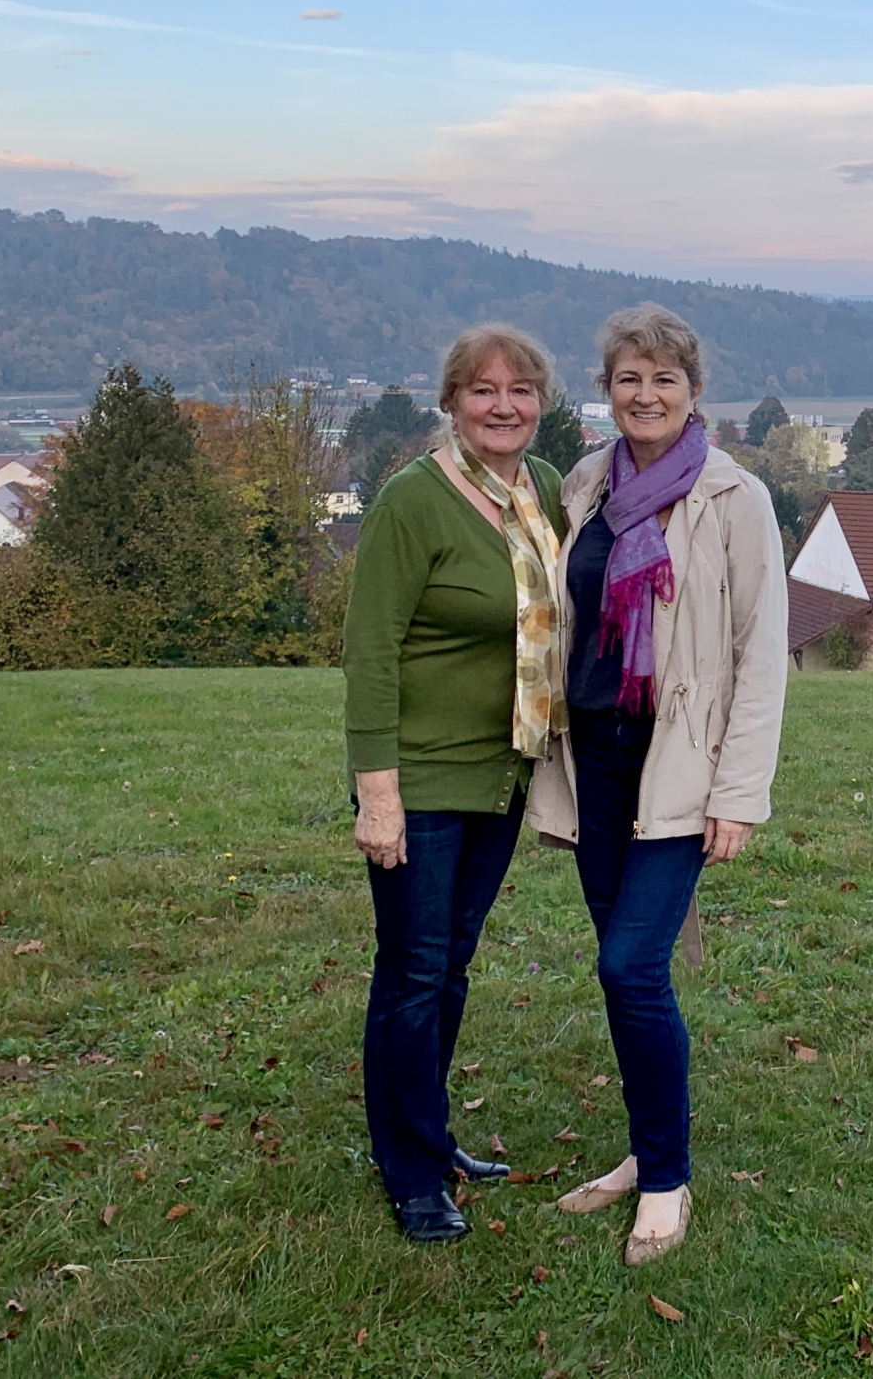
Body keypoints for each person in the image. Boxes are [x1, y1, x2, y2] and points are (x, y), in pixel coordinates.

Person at [534, 303, 788, 1266]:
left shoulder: (735, 499)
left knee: (630, 967)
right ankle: (645, 1153)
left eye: (664, 380)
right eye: (629, 379)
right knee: (628, 971)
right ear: (608, 391)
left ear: (692, 393)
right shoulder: (587, 487)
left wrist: (739, 794)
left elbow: (761, 657)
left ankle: (668, 1178)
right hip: (593, 756)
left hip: (680, 765)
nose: (646, 395)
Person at [343, 326, 569, 1243]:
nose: (503, 405)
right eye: (483, 390)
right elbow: (369, 653)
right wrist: (377, 793)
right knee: (412, 970)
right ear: (452, 402)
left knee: (452, 963)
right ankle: (407, 1168)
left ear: (542, 405)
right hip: (423, 777)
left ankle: (429, 1138)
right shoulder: (413, 501)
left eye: (520, 391)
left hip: (504, 769)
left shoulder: (542, 489)